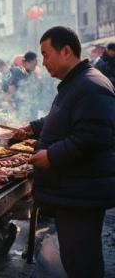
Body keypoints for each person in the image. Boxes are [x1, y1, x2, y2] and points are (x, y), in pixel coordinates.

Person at [14, 26, 115, 277]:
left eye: (46, 54)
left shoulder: (91, 85)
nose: (44, 62)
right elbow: (63, 119)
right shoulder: (76, 83)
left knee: (82, 261)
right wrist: (33, 128)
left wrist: (51, 156)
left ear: (66, 51)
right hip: (75, 190)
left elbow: (93, 136)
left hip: (82, 192)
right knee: (76, 258)